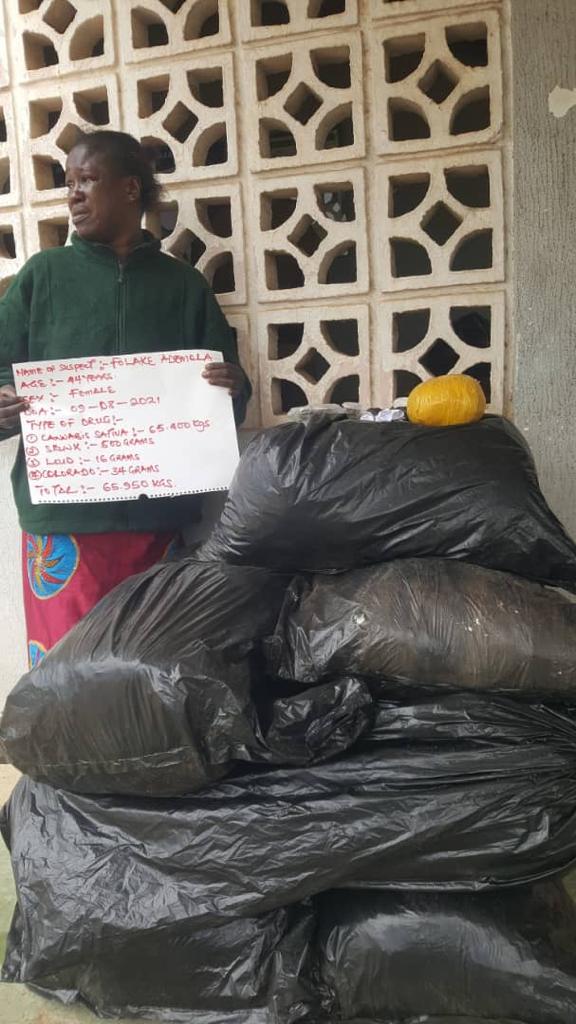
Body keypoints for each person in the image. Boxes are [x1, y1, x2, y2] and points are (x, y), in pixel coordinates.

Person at [0, 130, 251, 667]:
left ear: (131, 189)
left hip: (155, 519)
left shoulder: (182, 286)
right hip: (63, 523)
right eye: (69, 184)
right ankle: (67, 756)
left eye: (87, 180)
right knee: (63, 671)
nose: (72, 195)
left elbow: (229, 392)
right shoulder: (41, 278)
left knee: (144, 668)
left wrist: (231, 387)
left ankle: (144, 756)